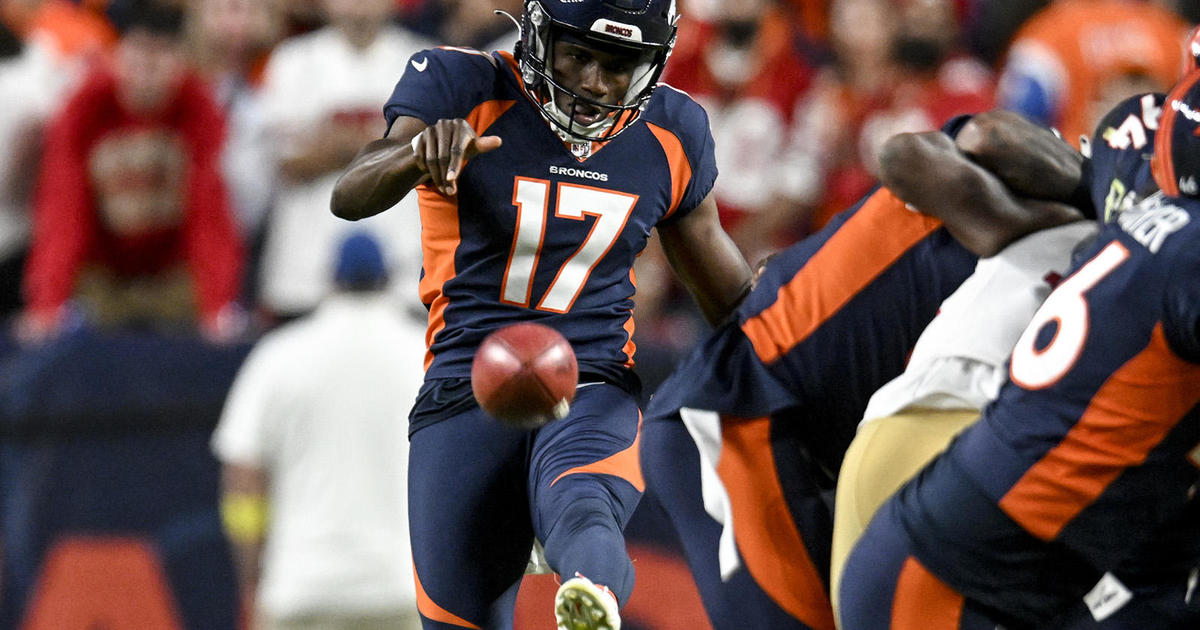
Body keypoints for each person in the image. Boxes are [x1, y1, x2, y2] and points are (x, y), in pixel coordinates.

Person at [329, 1, 753, 628]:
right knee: (457, 617)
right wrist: (416, 155)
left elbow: (732, 301)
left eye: (618, 65)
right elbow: (350, 194)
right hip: (466, 384)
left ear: (653, 65)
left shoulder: (673, 130)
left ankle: (590, 601)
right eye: (578, 54)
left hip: (592, 379)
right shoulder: (462, 84)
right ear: (536, 34)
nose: (593, 82)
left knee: (584, 502)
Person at [639, 110, 1088, 630]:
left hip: (829, 442)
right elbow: (920, 149)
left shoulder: (1131, 273)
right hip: (741, 412)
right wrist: (1066, 203)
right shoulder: (1057, 188)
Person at [837, 70, 1200, 630]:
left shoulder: (1145, 241)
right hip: (959, 531)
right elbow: (935, 153)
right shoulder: (1179, 255)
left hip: (978, 523)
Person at [212, 232, 426, 630]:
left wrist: (253, 579)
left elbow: (242, 478)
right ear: (389, 279)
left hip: (301, 587)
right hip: (399, 587)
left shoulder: (278, 357)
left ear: (330, 279)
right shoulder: (422, 356)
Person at [18, 0, 244, 343]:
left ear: (182, 58)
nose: (149, 66)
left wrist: (218, 306)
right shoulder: (83, 109)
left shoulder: (200, 110)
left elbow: (209, 213)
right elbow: (62, 209)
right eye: (139, 51)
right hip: (102, 276)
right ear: (116, 54)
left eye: (163, 52)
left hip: (173, 275)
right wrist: (48, 304)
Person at [254, 0, 433, 322]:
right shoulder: (292, 59)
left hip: (405, 268)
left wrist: (337, 142)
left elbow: (431, 159)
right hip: (305, 270)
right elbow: (285, 162)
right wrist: (383, 143)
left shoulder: (428, 59)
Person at [995, 0, 1187, 149]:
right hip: (1161, 175)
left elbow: (1015, 131)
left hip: (1076, 177)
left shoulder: (1047, 35)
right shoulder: (1168, 30)